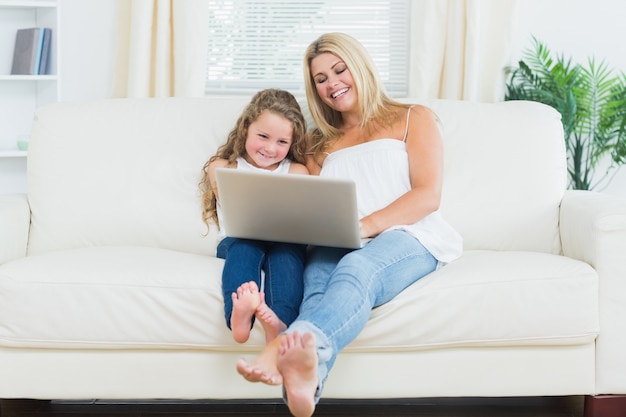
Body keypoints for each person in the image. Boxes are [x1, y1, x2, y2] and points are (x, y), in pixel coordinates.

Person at [235, 33, 463, 417]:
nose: (331, 84)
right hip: (338, 238)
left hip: (409, 235)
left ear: (360, 66)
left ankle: (284, 345)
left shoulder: (412, 117)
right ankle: (306, 383)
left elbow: (427, 195)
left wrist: (365, 226)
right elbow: (301, 196)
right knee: (317, 290)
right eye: (320, 79)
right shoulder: (320, 144)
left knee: (357, 268)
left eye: (339, 70)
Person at [199, 88, 310, 345]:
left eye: (282, 142)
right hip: (239, 238)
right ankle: (238, 317)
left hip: (283, 239)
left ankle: (279, 321)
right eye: (263, 136)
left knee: (287, 256)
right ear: (246, 128)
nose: (271, 148)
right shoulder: (223, 167)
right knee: (244, 249)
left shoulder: (297, 171)